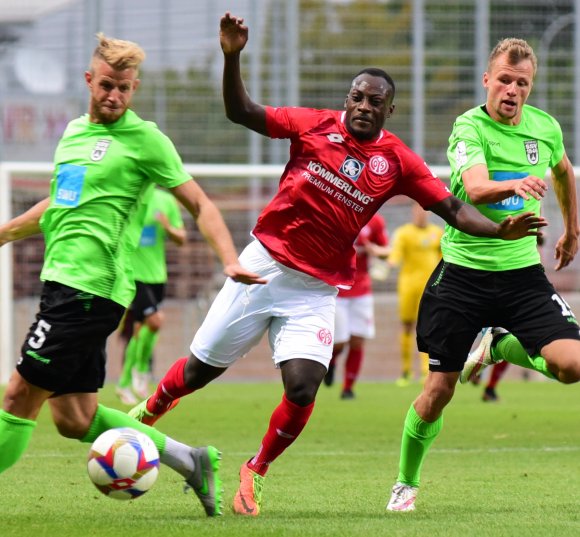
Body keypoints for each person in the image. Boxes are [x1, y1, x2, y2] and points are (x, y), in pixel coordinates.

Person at [129, 14, 544, 517]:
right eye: (357, 97)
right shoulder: (312, 126)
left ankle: (254, 470)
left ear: (390, 108)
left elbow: (453, 209)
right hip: (262, 267)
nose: (363, 106)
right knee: (197, 371)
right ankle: (148, 411)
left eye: (375, 101)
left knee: (303, 387)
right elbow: (241, 112)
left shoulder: (398, 160)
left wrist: (501, 229)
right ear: (347, 99)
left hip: (316, 290)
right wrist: (232, 54)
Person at [0, 32, 265, 517]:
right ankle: (191, 460)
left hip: (90, 290)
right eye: (106, 85)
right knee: (74, 418)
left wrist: (228, 257)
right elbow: (59, 205)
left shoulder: (146, 140)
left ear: (134, 87)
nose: (114, 96)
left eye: (124, 88)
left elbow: (200, 203)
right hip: (62, 285)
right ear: (89, 81)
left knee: (18, 395)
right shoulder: (74, 134)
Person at [386, 37, 579, 513]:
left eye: (523, 83)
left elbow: (563, 172)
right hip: (462, 277)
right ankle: (405, 483)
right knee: (437, 393)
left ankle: (495, 345)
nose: (512, 90)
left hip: (522, 276)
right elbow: (474, 187)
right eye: (505, 80)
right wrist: (514, 183)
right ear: (487, 81)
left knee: (572, 365)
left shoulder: (544, 128)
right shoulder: (468, 127)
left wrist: (573, 229)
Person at [116, 186, 186, 405]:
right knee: (155, 321)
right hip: (133, 274)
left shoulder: (165, 201)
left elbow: (181, 237)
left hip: (157, 275)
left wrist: (167, 227)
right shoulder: (128, 196)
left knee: (140, 331)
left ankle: (125, 382)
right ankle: (141, 371)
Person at [323, 212, 390, 399]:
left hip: (362, 290)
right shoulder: (337, 215)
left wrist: (376, 251)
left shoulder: (375, 220)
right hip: (338, 290)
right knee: (340, 341)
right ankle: (331, 362)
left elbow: (387, 251)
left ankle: (348, 388)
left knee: (358, 340)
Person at [388, 202, 443, 386]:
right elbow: (394, 256)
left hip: (430, 288)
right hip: (408, 286)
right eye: (418, 211)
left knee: (428, 328)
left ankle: (426, 371)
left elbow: (446, 259)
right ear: (413, 212)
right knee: (406, 326)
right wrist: (387, 262)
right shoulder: (404, 233)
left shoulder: (437, 232)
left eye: (425, 211)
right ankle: (405, 371)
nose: (422, 214)